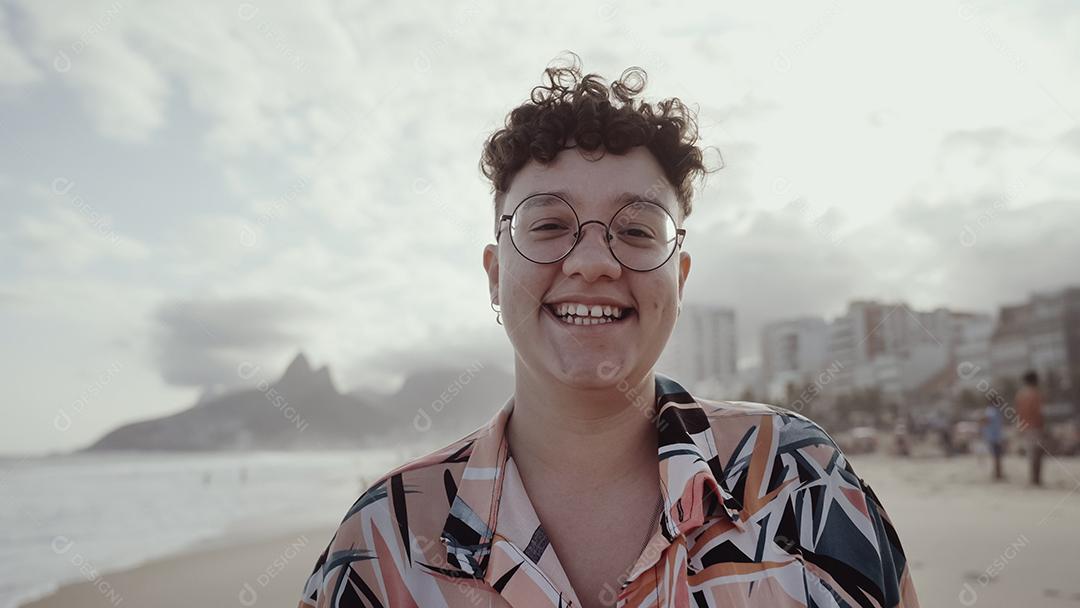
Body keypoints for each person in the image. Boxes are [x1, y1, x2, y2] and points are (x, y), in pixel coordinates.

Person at [297, 56, 919, 608]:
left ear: (679, 279)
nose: (593, 261)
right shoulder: (386, 543)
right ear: (494, 276)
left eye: (637, 229)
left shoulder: (798, 483)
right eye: (547, 226)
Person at [1015, 370, 1045, 486]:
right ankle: (1036, 479)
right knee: (1037, 453)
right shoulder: (1036, 394)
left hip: (1025, 427)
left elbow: (1018, 413)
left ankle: (1033, 478)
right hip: (1036, 426)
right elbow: (1039, 412)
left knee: (1031, 454)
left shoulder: (1020, 395)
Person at [981, 403, 1005, 480]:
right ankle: (998, 473)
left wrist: (982, 426)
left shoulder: (991, 411)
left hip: (993, 437)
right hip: (996, 437)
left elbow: (985, 420)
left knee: (996, 456)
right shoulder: (996, 411)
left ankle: (997, 473)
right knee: (997, 456)